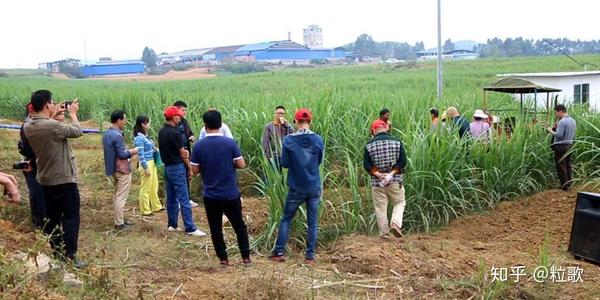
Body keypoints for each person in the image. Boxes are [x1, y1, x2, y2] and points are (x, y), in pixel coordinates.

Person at [23, 90, 86, 268]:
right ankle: (70, 255)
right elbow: (77, 131)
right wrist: (72, 114)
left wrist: (55, 113)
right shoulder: (52, 127)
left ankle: (58, 252)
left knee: (52, 219)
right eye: (52, 103)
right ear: (45, 105)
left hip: (45, 180)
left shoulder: (28, 126)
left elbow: (45, 124)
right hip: (64, 180)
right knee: (71, 217)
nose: (54, 105)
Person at [191, 110, 251, 266]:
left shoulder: (198, 146)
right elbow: (241, 164)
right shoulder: (230, 143)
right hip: (230, 193)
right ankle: (246, 257)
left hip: (211, 195)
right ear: (221, 124)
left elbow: (195, 170)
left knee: (215, 228)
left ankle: (223, 259)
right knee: (239, 225)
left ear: (205, 125)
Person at [270, 108, 324, 264]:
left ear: (296, 121)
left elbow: (285, 164)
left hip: (296, 186)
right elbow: (318, 161)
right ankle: (309, 256)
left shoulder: (288, 140)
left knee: (286, 218)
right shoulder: (318, 139)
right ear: (310, 121)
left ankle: (279, 251)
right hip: (313, 185)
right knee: (313, 222)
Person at [158, 106, 206, 236]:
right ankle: (190, 227)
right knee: (184, 198)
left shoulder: (162, 131)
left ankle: (172, 224)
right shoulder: (175, 133)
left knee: (172, 197)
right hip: (177, 167)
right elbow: (183, 154)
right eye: (178, 115)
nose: (180, 117)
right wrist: (190, 168)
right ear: (174, 117)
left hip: (167, 167)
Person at [363, 120, 408, 238]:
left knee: (380, 208)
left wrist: (378, 174)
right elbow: (403, 161)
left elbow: (367, 165)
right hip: (395, 180)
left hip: (377, 183)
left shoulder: (369, 145)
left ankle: (384, 234)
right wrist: (391, 173)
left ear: (373, 131)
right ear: (386, 129)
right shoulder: (397, 141)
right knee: (399, 202)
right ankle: (395, 224)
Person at [102, 110, 138, 231]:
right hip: (121, 169)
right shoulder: (117, 135)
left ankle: (119, 219)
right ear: (118, 121)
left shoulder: (107, 133)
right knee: (121, 197)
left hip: (112, 168)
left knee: (117, 195)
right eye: (124, 119)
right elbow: (122, 155)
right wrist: (132, 151)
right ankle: (119, 223)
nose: (125, 122)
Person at [18, 104, 46, 227]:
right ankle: (39, 222)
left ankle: (42, 221)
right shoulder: (28, 127)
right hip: (33, 165)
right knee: (36, 194)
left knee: (40, 194)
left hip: (38, 164)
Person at [133, 116, 164, 216]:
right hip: (146, 163)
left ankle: (156, 206)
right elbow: (140, 155)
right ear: (143, 124)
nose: (149, 125)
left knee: (154, 185)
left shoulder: (145, 136)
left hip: (152, 162)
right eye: (148, 123)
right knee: (146, 187)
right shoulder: (139, 138)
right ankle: (145, 210)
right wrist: (146, 168)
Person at [173, 101, 199, 207]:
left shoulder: (184, 121)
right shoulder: (175, 124)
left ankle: (187, 198)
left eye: (185, 111)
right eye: (182, 110)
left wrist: (192, 137)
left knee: (187, 176)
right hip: (179, 154)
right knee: (180, 177)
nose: (184, 113)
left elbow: (189, 133)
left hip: (187, 152)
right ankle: (179, 200)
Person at [547, 104, 576, 191]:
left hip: (560, 146)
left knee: (561, 166)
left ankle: (564, 186)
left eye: (556, 113)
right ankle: (569, 184)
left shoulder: (562, 122)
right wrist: (557, 127)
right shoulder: (572, 121)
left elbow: (559, 135)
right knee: (567, 165)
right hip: (569, 145)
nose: (556, 115)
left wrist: (550, 130)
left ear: (561, 111)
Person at [261, 105, 294, 170]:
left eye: (282, 114)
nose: (280, 115)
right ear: (275, 114)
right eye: (279, 113)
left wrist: (286, 124)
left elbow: (293, 135)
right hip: (274, 156)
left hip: (285, 155)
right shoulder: (269, 126)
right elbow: (265, 142)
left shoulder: (286, 126)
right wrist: (268, 157)